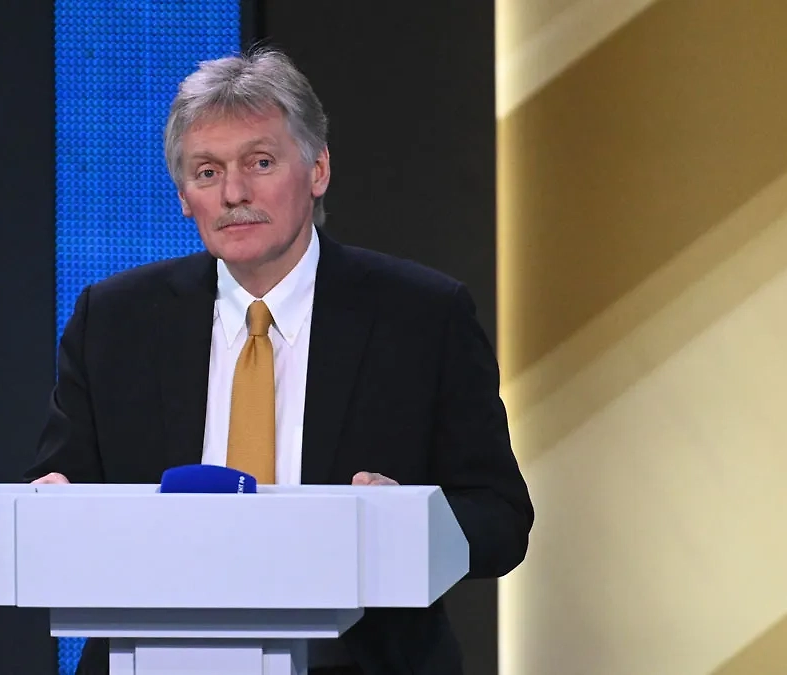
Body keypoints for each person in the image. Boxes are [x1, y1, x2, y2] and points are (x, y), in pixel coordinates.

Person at [26, 48, 534, 675]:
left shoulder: (422, 316)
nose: (234, 193)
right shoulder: (114, 319)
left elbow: (500, 519)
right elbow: (60, 489)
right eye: (207, 172)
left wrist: (412, 523)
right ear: (184, 196)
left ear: (318, 169)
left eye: (260, 162)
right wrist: (50, 506)